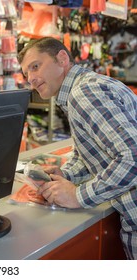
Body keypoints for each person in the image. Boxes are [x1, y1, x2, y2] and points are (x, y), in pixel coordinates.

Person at [18, 37, 137, 259]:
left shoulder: (84, 93)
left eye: (36, 66)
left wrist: (78, 196)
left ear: (62, 58)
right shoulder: (87, 86)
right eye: (26, 74)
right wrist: (67, 175)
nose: (31, 79)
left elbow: (132, 157)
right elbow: (96, 149)